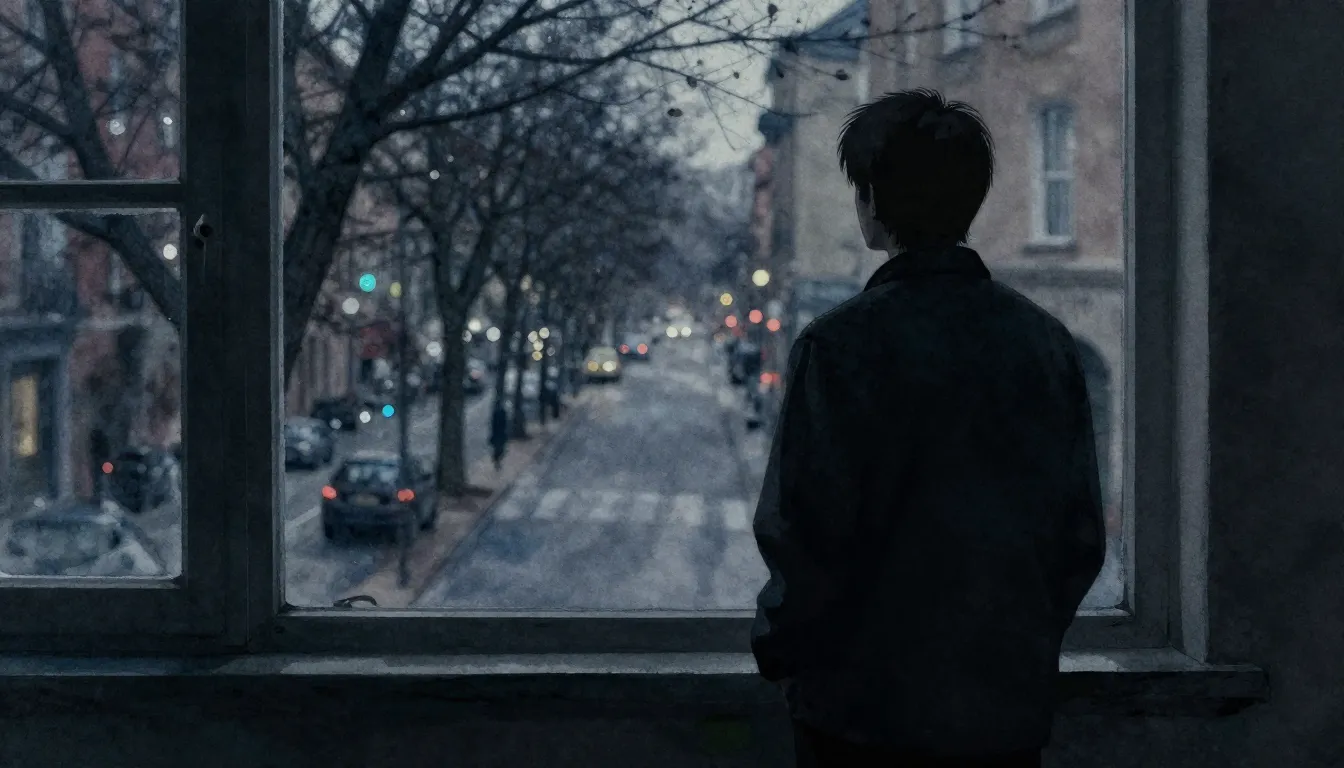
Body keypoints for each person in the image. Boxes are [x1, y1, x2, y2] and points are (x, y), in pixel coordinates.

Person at [750, 88, 1106, 768]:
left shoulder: (839, 346)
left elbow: (803, 531)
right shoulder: (1045, 343)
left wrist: (784, 652)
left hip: (859, 712)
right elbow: (1077, 536)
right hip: (1000, 713)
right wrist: (1019, 647)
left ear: (873, 201)